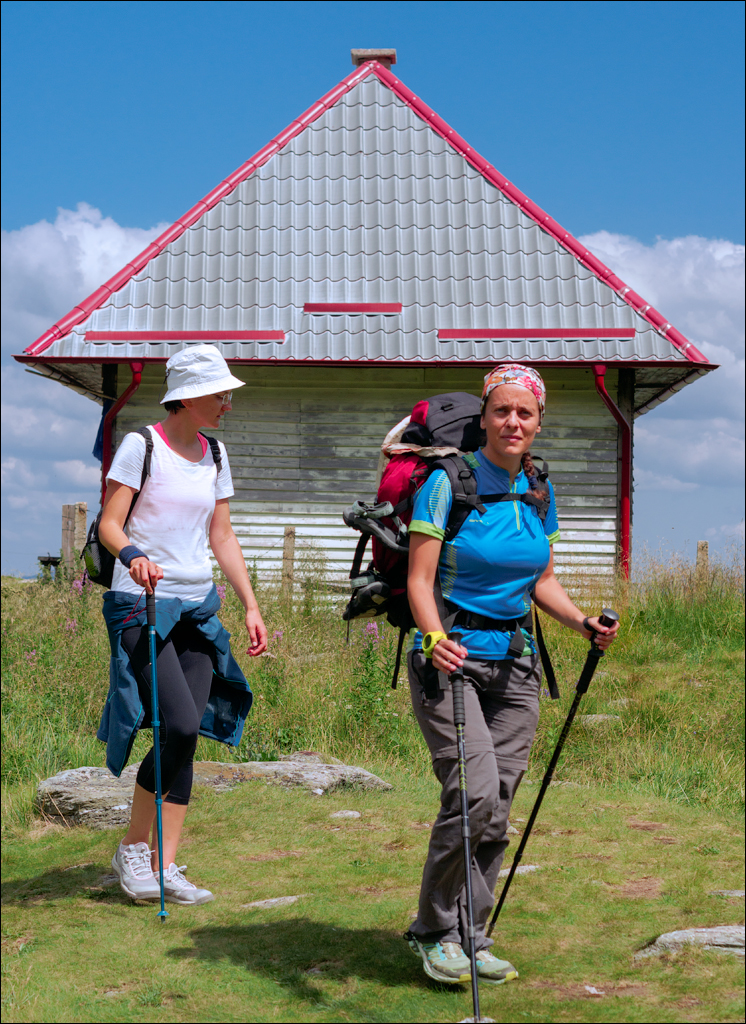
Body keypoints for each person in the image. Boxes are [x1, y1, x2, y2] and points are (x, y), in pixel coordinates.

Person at [405, 363, 619, 984]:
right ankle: (434, 931)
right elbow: (420, 579)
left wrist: (580, 622)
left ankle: (471, 935)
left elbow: (541, 578)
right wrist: (434, 637)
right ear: (485, 417)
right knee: (472, 794)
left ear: (539, 421)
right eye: (502, 410)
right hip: (451, 659)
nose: (513, 422)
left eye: (525, 412)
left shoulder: (539, 487)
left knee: (496, 806)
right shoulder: (447, 483)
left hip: (517, 663)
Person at [97, 344, 268, 906]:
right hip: (141, 604)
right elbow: (110, 525)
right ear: (188, 397)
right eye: (220, 394)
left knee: (186, 735)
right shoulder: (141, 445)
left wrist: (250, 605)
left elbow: (222, 535)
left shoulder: (215, 453)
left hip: (197, 606)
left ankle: (165, 865)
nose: (227, 403)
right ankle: (133, 849)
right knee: (181, 725)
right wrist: (134, 556)